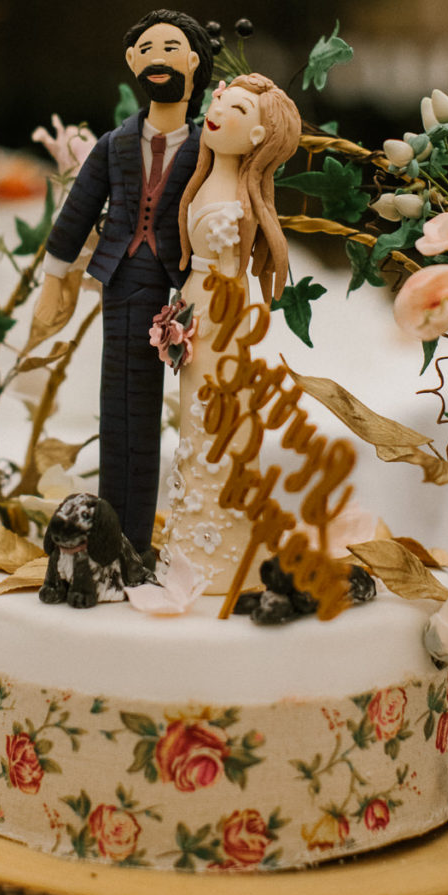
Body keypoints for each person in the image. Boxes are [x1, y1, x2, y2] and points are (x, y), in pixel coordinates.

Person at [33, 9, 214, 553]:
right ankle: (114, 535)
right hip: (120, 278)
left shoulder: (209, 146)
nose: (159, 58)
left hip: (176, 289)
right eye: (148, 49)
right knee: (119, 407)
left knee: (155, 405)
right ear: (134, 62)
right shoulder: (114, 145)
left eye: (171, 46)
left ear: (194, 62)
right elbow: (76, 212)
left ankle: (138, 537)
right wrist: (53, 280)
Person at [160, 74, 301, 593]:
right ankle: (198, 531)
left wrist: (203, 318)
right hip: (198, 299)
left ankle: (224, 542)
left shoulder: (234, 201)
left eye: (235, 108)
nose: (216, 108)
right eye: (219, 98)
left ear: (258, 137)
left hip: (219, 305)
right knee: (196, 413)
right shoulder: (202, 182)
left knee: (215, 410)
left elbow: (227, 268)